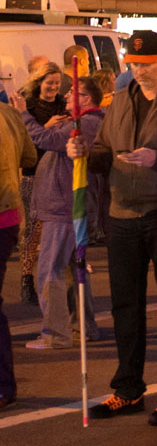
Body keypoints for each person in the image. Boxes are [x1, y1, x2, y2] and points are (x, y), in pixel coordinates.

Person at [68, 30, 157, 426]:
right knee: (125, 306)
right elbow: (103, 156)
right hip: (123, 214)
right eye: (133, 64)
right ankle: (128, 388)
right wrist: (81, 154)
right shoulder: (121, 102)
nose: (139, 71)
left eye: (146, 64)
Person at [19, 77, 104, 349]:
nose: (67, 96)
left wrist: (24, 114)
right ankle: (83, 328)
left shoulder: (87, 123)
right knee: (73, 269)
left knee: (50, 271)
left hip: (65, 207)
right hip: (66, 206)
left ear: (87, 99)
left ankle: (56, 334)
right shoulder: (79, 121)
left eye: (73, 93)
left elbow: (46, 139)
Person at [19, 62, 69, 305]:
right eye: (50, 82)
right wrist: (46, 128)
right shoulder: (29, 106)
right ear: (39, 82)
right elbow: (25, 141)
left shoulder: (64, 104)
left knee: (54, 229)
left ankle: (57, 280)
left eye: (57, 82)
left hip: (57, 172)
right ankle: (26, 278)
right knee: (31, 229)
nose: (54, 87)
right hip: (32, 172)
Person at [0, 99, 37, 409]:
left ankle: (4, 385)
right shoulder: (10, 114)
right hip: (9, 215)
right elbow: (29, 155)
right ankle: (4, 385)